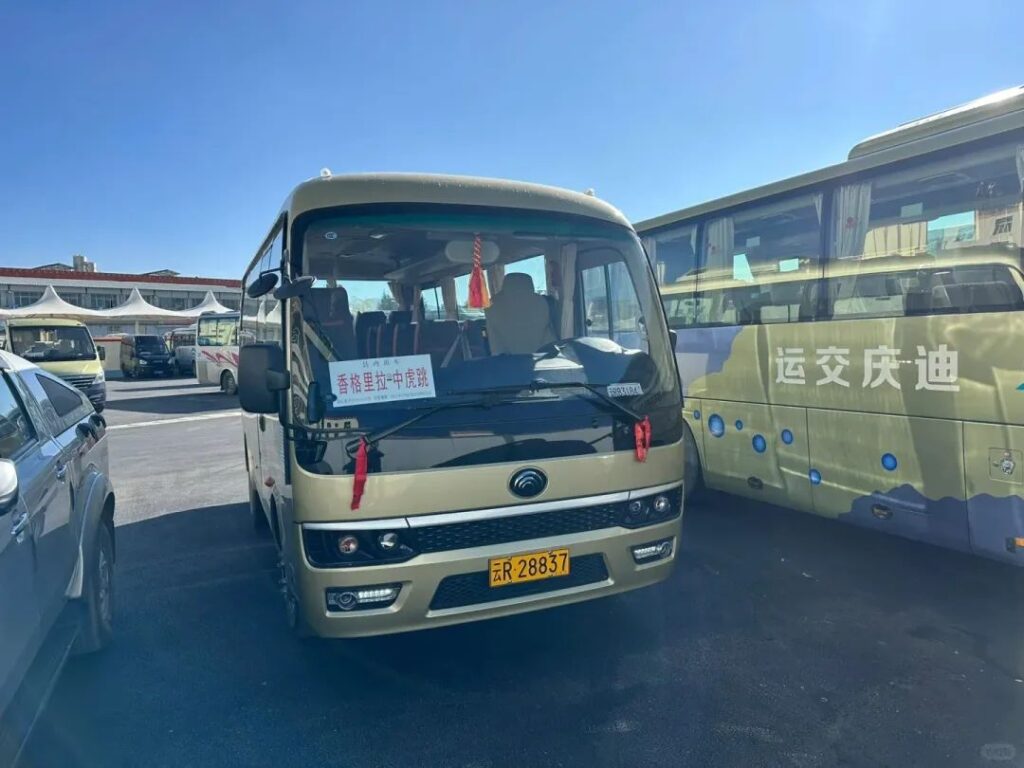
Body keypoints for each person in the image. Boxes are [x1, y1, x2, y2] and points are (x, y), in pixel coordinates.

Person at [484, 272, 556, 354]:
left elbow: (494, 340)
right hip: (542, 358)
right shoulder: (541, 302)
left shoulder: (493, 304)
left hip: (507, 362)